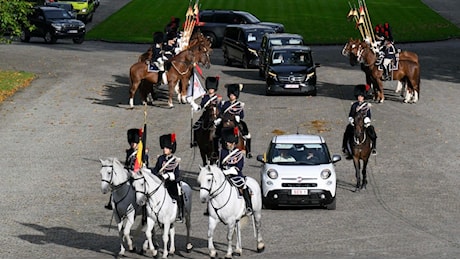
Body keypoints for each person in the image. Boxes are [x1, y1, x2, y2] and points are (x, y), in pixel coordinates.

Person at [105, 128, 149, 210]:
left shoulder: (142, 152)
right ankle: (111, 201)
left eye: (134, 143)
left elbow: (144, 163)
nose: (132, 144)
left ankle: (144, 204)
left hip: (139, 172)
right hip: (130, 172)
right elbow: (127, 163)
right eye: (131, 142)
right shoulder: (129, 152)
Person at [149, 133, 184, 222]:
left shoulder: (175, 160)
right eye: (164, 148)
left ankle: (180, 214)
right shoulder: (160, 158)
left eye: (167, 148)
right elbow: (156, 169)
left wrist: (169, 175)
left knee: (177, 193)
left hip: (171, 182)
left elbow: (176, 173)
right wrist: (148, 171)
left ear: (171, 149)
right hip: (161, 181)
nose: (164, 149)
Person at [219, 127, 253, 215]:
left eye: (229, 142)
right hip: (224, 174)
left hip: (236, 175)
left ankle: (248, 206)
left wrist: (230, 171)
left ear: (234, 143)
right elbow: (220, 165)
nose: (227, 144)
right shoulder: (222, 152)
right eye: (226, 142)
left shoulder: (239, 153)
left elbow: (239, 167)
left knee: (243, 185)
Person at [214, 83, 253, 158]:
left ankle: (248, 151)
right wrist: (219, 118)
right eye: (231, 94)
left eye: (233, 95)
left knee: (247, 134)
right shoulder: (224, 103)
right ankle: (215, 151)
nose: (232, 96)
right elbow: (221, 112)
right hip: (225, 121)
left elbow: (242, 115)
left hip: (235, 121)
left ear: (236, 95)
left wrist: (238, 117)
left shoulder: (239, 104)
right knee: (216, 134)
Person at [190, 76, 222, 150]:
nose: (211, 90)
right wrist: (194, 106)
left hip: (215, 115)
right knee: (196, 126)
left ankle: (220, 141)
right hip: (206, 115)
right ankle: (195, 141)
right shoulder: (205, 97)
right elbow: (201, 106)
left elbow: (220, 108)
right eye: (210, 88)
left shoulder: (218, 98)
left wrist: (219, 118)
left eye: (212, 89)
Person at [342, 91, 378, 157]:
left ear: (363, 97)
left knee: (372, 132)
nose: (359, 98)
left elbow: (369, 115)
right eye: (358, 96)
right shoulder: (354, 105)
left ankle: (373, 148)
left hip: (364, 123)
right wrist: (351, 119)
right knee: (347, 132)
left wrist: (367, 120)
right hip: (355, 123)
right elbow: (351, 114)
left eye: (361, 96)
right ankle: (344, 147)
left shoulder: (366, 106)